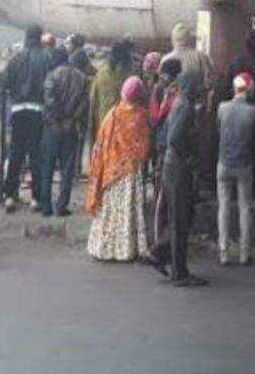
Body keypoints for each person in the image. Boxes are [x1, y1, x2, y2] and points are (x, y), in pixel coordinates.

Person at [86, 76, 152, 261]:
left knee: (110, 211)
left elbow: (100, 145)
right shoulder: (142, 116)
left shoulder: (112, 115)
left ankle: (105, 249)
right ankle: (127, 250)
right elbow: (145, 147)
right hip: (132, 174)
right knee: (128, 211)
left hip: (111, 172)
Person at [160, 71, 206, 287]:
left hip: (172, 166)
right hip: (178, 168)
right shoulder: (186, 106)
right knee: (180, 220)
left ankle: (160, 253)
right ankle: (179, 272)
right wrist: (188, 157)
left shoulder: (179, 102)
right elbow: (175, 138)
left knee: (181, 217)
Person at [2, 25, 52, 213]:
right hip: (38, 111)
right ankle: (36, 198)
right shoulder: (46, 58)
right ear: (39, 38)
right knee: (36, 156)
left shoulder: (16, 58)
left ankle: (9, 196)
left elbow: (5, 83)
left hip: (17, 110)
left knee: (15, 154)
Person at [162, 25, 215, 193]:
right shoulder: (201, 58)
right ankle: (194, 189)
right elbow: (210, 86)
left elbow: (161, 92)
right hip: (196, 117)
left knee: (172, 158)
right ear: (189, 38)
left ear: (173, 39)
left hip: (171, 118)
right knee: (194, 158)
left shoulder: (166, 60)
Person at [216, 74, 255, 266]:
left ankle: (224, 253)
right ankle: (244, 253)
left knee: (224, 206)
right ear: (248, 89)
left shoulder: (222, 108)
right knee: (245, 207)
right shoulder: (253, 111)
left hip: (224, 163)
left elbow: (219, 130)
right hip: (244, 164)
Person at [40, 48, 89, 217]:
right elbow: (83, 104)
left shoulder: (51, 76)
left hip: (52, 128)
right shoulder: (81, 77)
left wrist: (57, 119)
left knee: (47, 166)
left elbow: (49, 101)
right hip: (71, 129)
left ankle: (45, 205)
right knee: (67, 169)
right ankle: (62, 206)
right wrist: (71, 120)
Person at [88, 39, 134, 159]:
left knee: (103, 158)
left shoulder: (101, 72)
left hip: (103, 123)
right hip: (122, 126)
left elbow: (93, 99)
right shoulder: (129, 75)